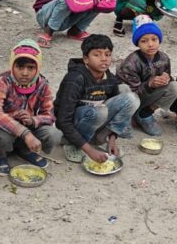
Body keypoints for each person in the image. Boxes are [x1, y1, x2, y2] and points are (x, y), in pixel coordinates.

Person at [55, 34, 139, 163]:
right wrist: (90, 151)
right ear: (86, 59)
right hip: (73, 125)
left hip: (95, 119)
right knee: (100, 111)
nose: (104, 59)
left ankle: (101, 138)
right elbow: (62, 120)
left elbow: (116, 113)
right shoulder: (75, 79)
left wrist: (112, 140)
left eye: (107, 54)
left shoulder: (109, 78)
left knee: (130, 97)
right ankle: (72, 144)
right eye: (97, 55)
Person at [0, 39, 61, 175]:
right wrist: (25, 133)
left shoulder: (42, 84)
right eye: (20, 67)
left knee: (53, 134)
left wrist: (33, 120)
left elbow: (49, 115)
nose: (25, 73)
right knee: (3, 137)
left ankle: (24, 150)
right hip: (3, 128)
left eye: (30, 68)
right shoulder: (3, 81)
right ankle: (0, 154)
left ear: (37, 68)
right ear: (12, 66)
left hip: (28, 125)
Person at [115, 16, 177, 137]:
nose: (150, 44)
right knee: (123, 89)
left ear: (159, 40)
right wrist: (150, 84)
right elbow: (133, 93)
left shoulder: (164, 58)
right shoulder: (131, 62)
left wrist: (166, 78)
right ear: (138, 43)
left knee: (175, 87)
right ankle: (125, 118)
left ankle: (145, 114)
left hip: (146, 98)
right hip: (130, 98)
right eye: (144, 41)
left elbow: (168, 79)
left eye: (154, 39)